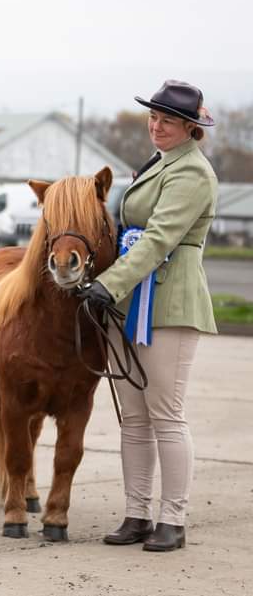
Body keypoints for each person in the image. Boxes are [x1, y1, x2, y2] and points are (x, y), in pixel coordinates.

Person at [80, 80, 217, 552]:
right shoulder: (158, 164)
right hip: (128, 303)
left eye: (168, 121)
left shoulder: (192, 173)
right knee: (134, 417)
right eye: (153, 119)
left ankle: (172, 519)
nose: (156, 127)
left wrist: (109, 284)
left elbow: (158, 238)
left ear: (190, 128)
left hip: (168, 304)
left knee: (166, 414)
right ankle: (136, 512)